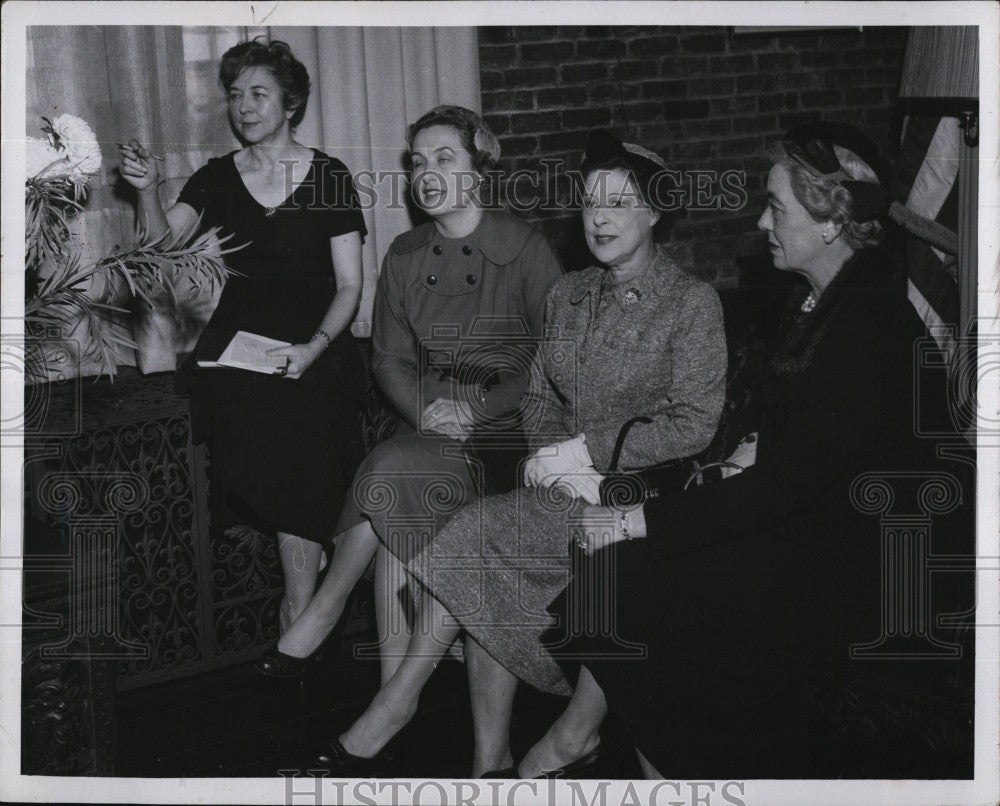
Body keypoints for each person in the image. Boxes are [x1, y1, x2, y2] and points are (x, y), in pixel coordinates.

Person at [506, 121, 974, 780]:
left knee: (635, 581)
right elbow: (798, 434)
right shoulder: (828, 297)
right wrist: (752, 443)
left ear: (833, 221)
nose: (761, 221)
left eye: (776, 207)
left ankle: (604, 752)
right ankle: (601, 748)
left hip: (877, 569)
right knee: (622, 579)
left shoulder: (869, 325)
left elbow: (786, 485)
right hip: (820, 526)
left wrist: (634, 518)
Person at [310, 128, 728, 776]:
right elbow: (536, 394)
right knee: (474, 529)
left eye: (618, 202)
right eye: (591, 202)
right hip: (562, 485)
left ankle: (396, 709)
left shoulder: (691, 303)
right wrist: (549, 455)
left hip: (638, 499)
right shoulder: (569, 294)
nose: (600, 217)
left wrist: (589, 455)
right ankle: (482, 759)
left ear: (654, 212)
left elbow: (695, 425)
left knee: (481, 537)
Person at [257, 105, 563, 683]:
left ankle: (326, 612)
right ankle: (393, 693)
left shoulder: (527, 249)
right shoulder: (403, 254)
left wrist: (477, 408)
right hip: (427, 424)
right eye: (418, 161)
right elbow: (389, 358)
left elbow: (554, 357)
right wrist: (426, 410)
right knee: (394, 478)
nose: (427, 172)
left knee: (390, 469)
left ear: (479, 169)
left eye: (445, 158)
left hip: (509, 433)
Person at [118, 38, 368, 633]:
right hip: (242, 352)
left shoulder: (329, 174)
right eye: (235, 95)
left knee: (304, 441)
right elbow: (159, 252)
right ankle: (304, 612)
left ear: (291, 103)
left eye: (259, 93)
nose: (244, 106)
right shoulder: (216, 178)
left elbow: (350, 286)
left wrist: (312, 348)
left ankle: (299, 612)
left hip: (319, 347)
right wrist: (148, 191)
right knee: (279, 452)